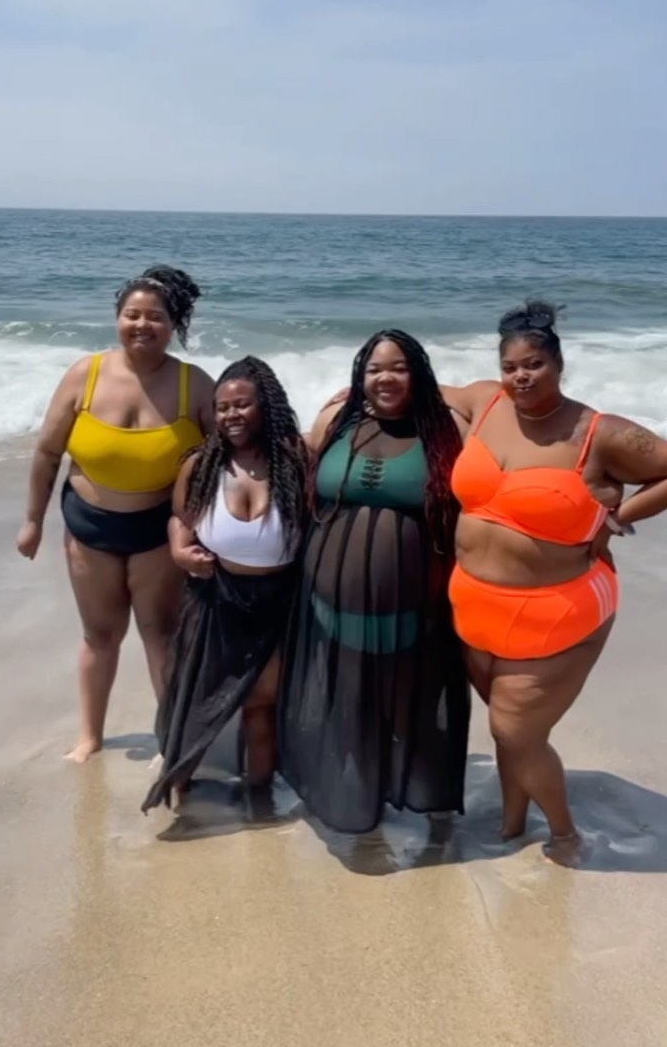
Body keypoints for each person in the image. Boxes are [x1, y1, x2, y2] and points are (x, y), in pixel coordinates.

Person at [447, 300, 667, 861]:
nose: (520, 376)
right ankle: (512, 823)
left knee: (515, 730)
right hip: (475, 605)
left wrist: (618, 518)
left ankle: (565, 834)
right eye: (510, 366)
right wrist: (348, 395)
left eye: (533, 365)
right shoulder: (485, 402)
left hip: (558, 611)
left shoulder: (598, 432)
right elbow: (421, 390)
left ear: (558, 364)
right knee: (509, 730)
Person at [16, 265, 214, 762]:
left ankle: (173, 740)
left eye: (155, 317)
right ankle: (90, 737)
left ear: (174, 325)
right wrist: (33, 520)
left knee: (159, 634)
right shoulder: (85, 374)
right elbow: (48, 452)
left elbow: (229, 453)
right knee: (100, 635)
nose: (142, 325)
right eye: (132, 314)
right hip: (89, 525)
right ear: (117, 318)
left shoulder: (193, 384)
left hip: (158, 529)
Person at [279, 330, 470, 835]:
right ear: (359, 376)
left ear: (419, 374)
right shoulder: (335, 421)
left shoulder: (446, 430)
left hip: (411, 609)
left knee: (409, 711)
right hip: (329, 609)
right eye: (375, 369)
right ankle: (358, 805)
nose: (386, 378)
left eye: (399, 368)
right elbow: (286, 468)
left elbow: (492, 485)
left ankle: (432, 808)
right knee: (349, 707)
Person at [142, 357, 308, 812]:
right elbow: (180, 518)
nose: (232, 415)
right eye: (222, 407)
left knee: (259, 706)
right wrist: (179, 550)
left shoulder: (296, 462)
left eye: (242, 405)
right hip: (214, 598)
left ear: (266, 406)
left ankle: (259, 800)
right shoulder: (200, 465)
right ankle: (180, 794)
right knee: (193, 701)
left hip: (278, 603)